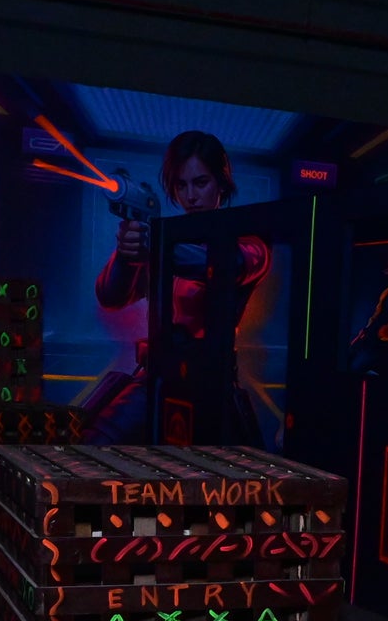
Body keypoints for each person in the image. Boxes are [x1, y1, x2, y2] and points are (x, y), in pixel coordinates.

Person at [86, 131, 270, 445]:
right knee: (91, 448)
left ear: (220, 183)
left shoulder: (249, 242)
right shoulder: (163, 241)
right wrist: (127, 254)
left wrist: (153, 244)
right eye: (181, 185)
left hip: (210, 384)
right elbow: (111, 296)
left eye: (200, 183)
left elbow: (224, 264)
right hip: (156, 378)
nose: (191, 195)